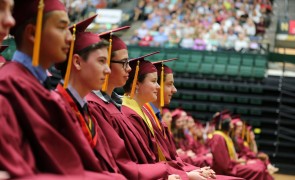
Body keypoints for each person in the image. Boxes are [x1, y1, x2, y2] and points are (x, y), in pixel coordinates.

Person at [0, 1, 123, 179]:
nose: (70, 38)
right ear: (33, 33)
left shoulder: (37, 88)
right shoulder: (11, 86)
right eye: (61, 28)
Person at [85, 29, 187, 179]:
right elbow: (122, 164)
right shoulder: (99, 107)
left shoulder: (117, 108)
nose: (129, 68)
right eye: (124, 63)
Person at [122, 56, 218, 180]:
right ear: (137, 84)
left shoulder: (145, 114)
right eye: (154, 81)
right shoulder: (129, 116)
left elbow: (167, 159)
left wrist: (193, 171)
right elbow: (144, 163)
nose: (158, 87)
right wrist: (186, 175)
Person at [208, 111, 274, 180]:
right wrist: (239, 162)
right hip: (228, 169)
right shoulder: (218, 137)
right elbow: (224, 164)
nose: (232, 125)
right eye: (230, 123)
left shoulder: (224, 136)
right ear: (225, 124)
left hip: (232, 165)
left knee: (259, 166)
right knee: (258, 169)